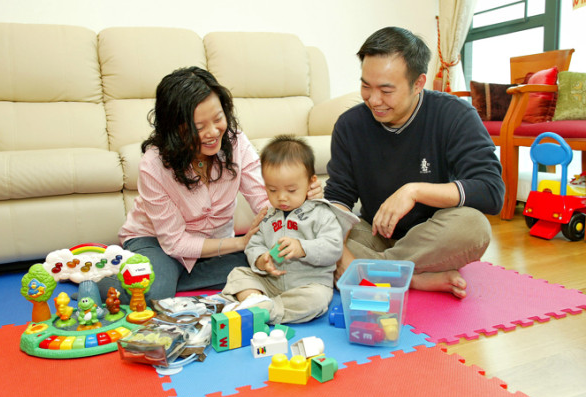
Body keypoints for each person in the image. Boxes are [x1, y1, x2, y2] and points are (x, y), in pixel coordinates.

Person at [97, 67, 322, 305]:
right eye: (199, 127)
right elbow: (174, 242)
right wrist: (240, 243)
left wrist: (298, 201)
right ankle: (106, 272)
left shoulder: (236, 143)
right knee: (154, 293)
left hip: (216, 245)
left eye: (218, 119)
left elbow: (263, 199)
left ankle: (173, 276)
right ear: (176, 129)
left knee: (271, 262)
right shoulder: (153, 164)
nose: (213, 132)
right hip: (157, 242)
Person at [324, 27, 505, 299]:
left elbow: (491, 192)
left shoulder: (455, 115)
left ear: (418, 83)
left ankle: (366, 273)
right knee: (312, 230)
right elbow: (338, 198)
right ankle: (415, 279)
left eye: (386, 90)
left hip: (434, 238)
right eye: (365, 86)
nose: (374, 100)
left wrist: (414, 191)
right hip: (374, 234)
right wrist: (338, 247)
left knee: (473, 226)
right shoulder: (350, 125)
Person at [221, 135, 359, 324]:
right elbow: (254, 244)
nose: (282, 198)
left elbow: (334, 247)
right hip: (271, 282)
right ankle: (257, 301)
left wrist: (302, 248)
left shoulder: (321, 213)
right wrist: (262, 260)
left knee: (317, 300)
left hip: (308, 284)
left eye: (291, 190)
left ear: (311, 182)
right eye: (272, 190)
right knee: (237, 274)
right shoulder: (268, 215)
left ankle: (265, 310)